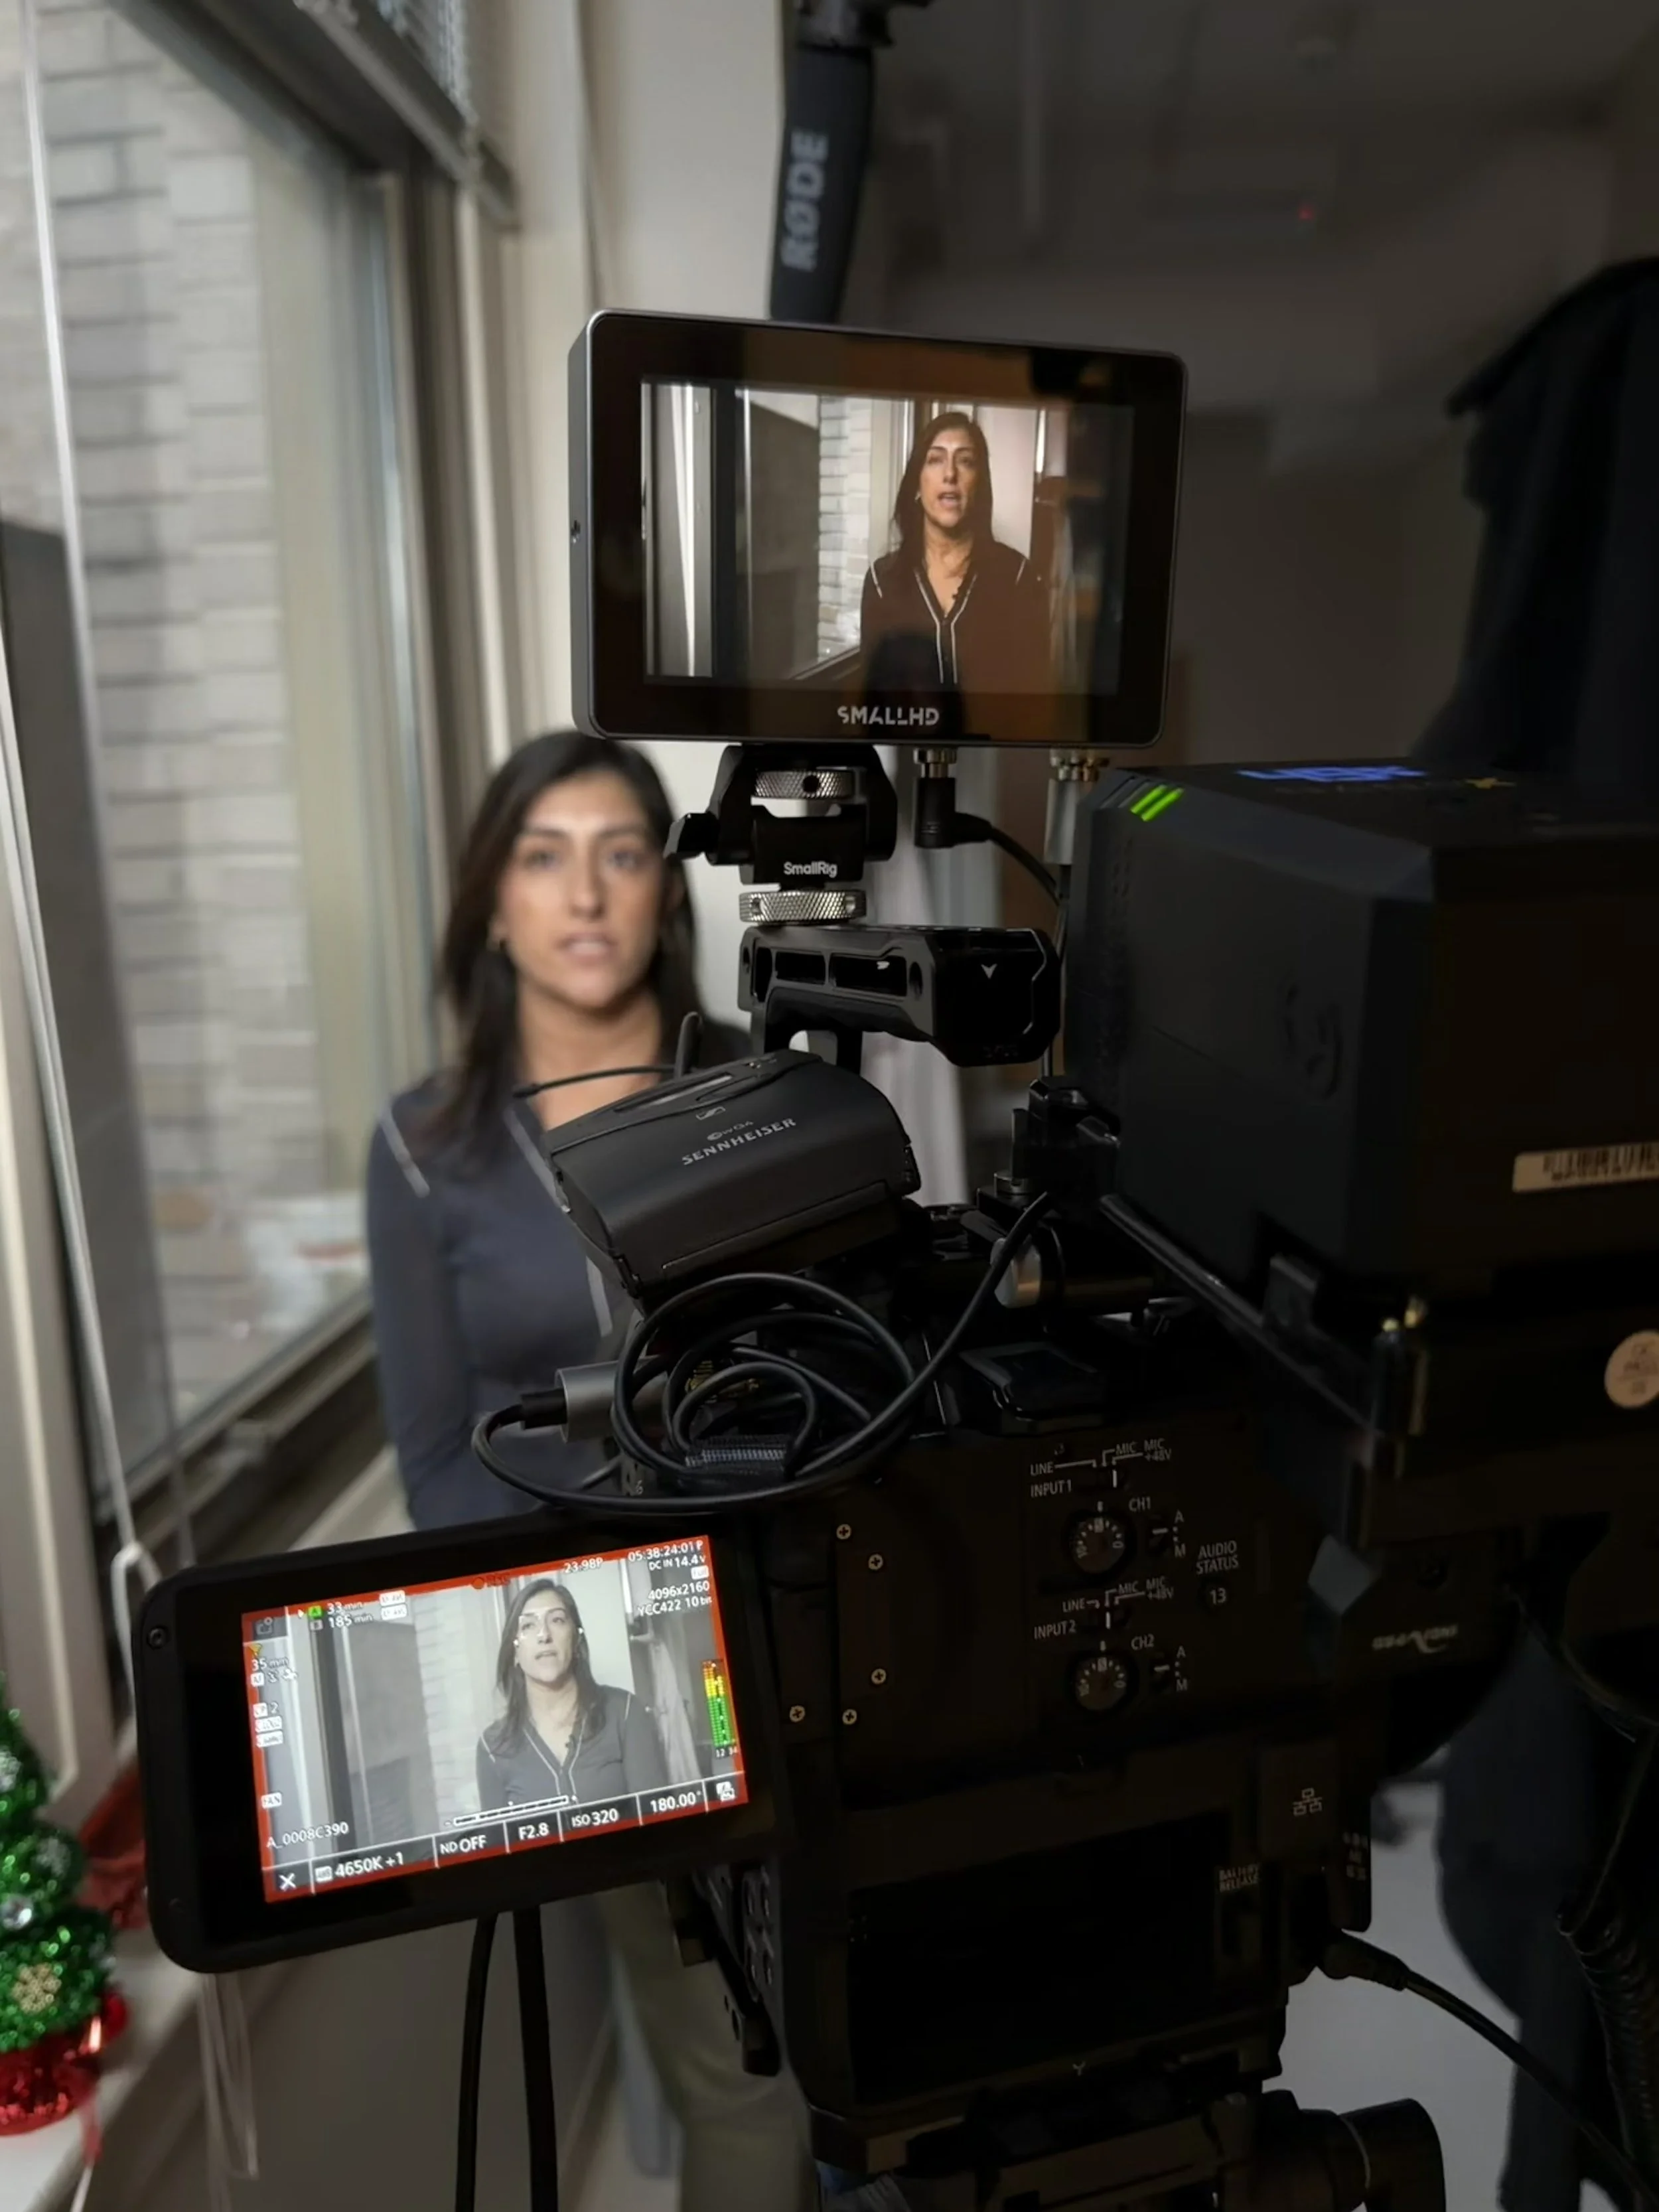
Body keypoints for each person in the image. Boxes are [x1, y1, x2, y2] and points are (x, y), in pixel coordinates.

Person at [367, 731, 816, 2212]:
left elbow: (834, 1364)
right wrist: (566, 1645)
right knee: (730, 2059)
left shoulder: (757, 1088)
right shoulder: (423, 1147)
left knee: (821, 2036)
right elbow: (436, 1452)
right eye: (543, 857)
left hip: (778, 1625)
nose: (585, 894)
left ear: (664, 892)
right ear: (491, 901)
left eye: (622, 854)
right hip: (589, 1674)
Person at [859, 411, 1048, 694]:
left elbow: (1035, 698)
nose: (950, 474)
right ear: (917, 484)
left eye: (965, 461)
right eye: (935, 460)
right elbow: (873, 702)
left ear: (980, 483)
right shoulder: (881, 581)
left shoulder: (1018, 578)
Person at [476, 1576, 668, 1813]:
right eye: (528, 1626)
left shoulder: (626, 1713)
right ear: (514, 1652)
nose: (544, 1635)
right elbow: (499, 1836)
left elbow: (658, 1817)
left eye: (557, 1620)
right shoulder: (493, 1747)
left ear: (577, 1639)